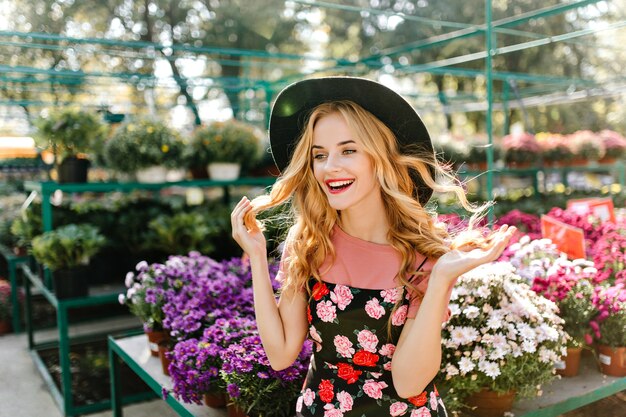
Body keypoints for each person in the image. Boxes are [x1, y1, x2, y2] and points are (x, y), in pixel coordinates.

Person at [231, 77, 516, 417]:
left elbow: (410, 384)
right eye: (319, 154)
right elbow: (280, 355)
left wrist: (440, 279)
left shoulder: (423, 255)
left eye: (348, 150)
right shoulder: (307, 243)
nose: (329, 166)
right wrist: (257, 256)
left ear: (380, 158)